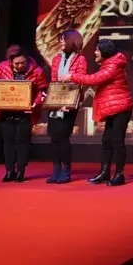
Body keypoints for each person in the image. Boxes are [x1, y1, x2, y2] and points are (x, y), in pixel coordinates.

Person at [60, 39, 133, 187]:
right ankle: (104, 172)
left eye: (97, 50)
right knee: (107, 141)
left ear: (104, 52)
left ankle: (119, 175)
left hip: (120, 108)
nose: (94, 53)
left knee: (117, 142)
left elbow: (94, 79)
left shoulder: (113, 65)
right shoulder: (109, 63)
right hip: (113, 107)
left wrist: (72, 76)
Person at [0, 45, 48, 183]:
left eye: (22, 62)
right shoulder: (1, 68)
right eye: (16, 63)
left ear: (27, 59)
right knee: (8, 142)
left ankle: (20, 170)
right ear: (10, 61)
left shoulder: (37, 70)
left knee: (22, 141)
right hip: (6, 111)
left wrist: (35, 104)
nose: (20, 66)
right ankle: (9, 171)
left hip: (25, 112)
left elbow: (43, 90)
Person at [46, 30, 88, 184]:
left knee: (63, 137)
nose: (61, 42)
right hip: (56, 101)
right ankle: (56, 170)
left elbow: (81, 80)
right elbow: (53, 81)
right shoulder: (57, 58)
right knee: (54, 137)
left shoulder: (80, 59)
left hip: (70, 102)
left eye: (63, 39)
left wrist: (68, 103)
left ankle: (66, 170)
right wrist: (55, 102)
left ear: (71, 41)